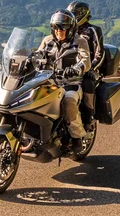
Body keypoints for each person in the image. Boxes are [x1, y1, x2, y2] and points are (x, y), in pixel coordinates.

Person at [34, 9, 91, 151]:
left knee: (69, 101)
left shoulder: (80, 41)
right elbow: (37, 56)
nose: (60, 31)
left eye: (63, 27)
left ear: (71, 28)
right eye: (56, 27)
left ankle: (77, 137)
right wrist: (25, 59)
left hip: (71, 84)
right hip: (49, 82)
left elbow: (86, 60)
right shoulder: (47, 41)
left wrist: (76, 68)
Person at [67, 1, 104, 130]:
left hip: (91, 69)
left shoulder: (93, 30)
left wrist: (91, 68)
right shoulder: (68, 30)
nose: (74, 16)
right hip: (71, 70)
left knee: (87, 82)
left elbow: (100, 53)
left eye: (76, 14)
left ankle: (89, 117)